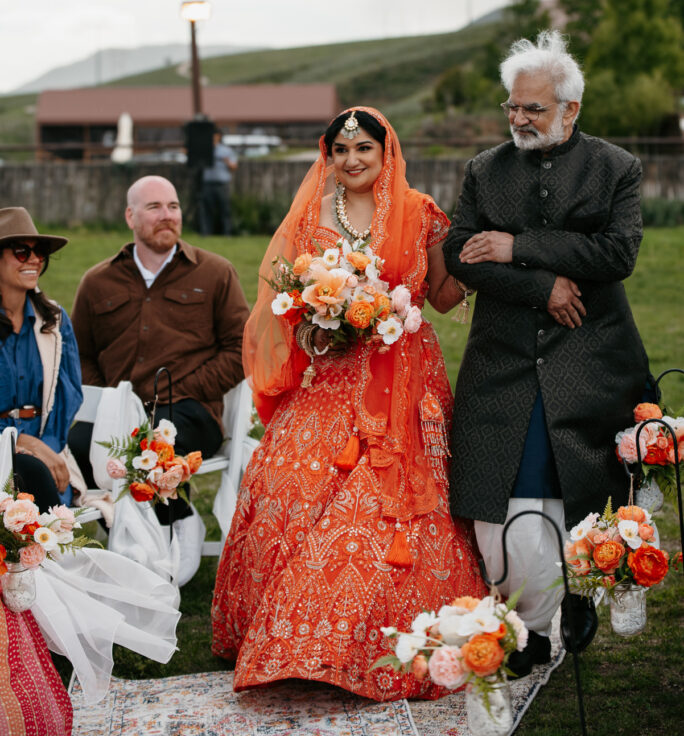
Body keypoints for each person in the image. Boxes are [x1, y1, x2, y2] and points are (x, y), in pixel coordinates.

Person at [212, 107, 486, 701]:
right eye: (342, 150)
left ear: (387, 153)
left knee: (386, 503)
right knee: (287, 478)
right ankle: (287, 635)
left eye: (365, 148)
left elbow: (440, 298)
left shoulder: (419, 213)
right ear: (328, 157)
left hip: (406, 376)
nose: (353, 160)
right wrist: (318, 320)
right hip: (333, 375)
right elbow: (289, 303)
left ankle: (375, 642)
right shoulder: (311, 218)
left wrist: (469, 258)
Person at [443, 31, 654, 677]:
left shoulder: (616, 167)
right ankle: (529, 625)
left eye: (533, 109)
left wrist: (519, 246)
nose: (519, 120)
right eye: (513, 107)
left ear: (571, 110)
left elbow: (617, 255)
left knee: (583, 492)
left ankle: (581, 596)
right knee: (503, 503)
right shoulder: (484, 170)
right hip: (502, 361)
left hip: (592, 357)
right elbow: (459, 255)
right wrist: (543, 284)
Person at [68, 174, 250, 582]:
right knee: (77, 444)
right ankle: (146, 529)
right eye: (154, 207)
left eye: (173, 206)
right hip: (116, 413)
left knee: (150, 444)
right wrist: (109, 398)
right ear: (130, 216)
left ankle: (169, 529)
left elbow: (242, 349)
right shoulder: (98, 282)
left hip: (189, 411)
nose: (166, 215)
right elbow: (79, 354)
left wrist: (188, 389)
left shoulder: (215, 273)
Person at [0, 207, 83, 511]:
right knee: (31, 473)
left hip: (47, 444)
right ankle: (53, 556)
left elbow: (69, 395)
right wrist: (20, 444)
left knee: (37, 473)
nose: (34, 259)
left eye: (40, 252)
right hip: (9, 451)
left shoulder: (55, 321)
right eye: (22, 251)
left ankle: (46, 554)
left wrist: (44, 446)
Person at [198, 126, 237, 236]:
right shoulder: (204, 150)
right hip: (207, 184)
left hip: (222, 185)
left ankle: (227, 233)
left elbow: (234, 166)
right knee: (206, 210)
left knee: (225, 210)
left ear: (218, 136)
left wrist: (226, 161)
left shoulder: (226, 150)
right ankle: (206, 233)